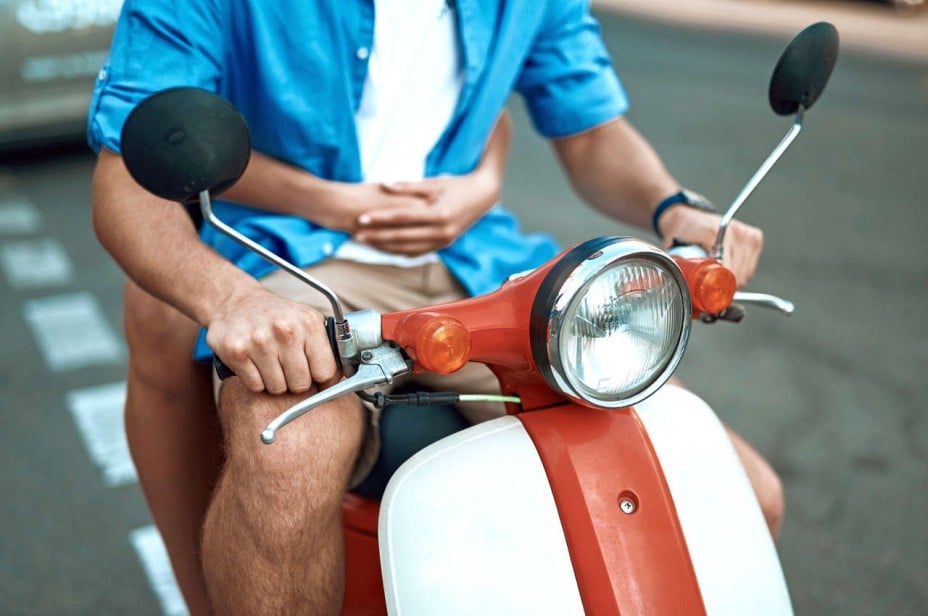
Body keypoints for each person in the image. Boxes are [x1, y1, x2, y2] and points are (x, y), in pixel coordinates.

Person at [89, 0, 780, 613]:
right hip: (293, 265)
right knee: (288, 445)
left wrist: (674, 207)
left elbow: (593, 132)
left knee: (739, 492)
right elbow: (128, 177)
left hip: (478, 264)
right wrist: (235, 299)